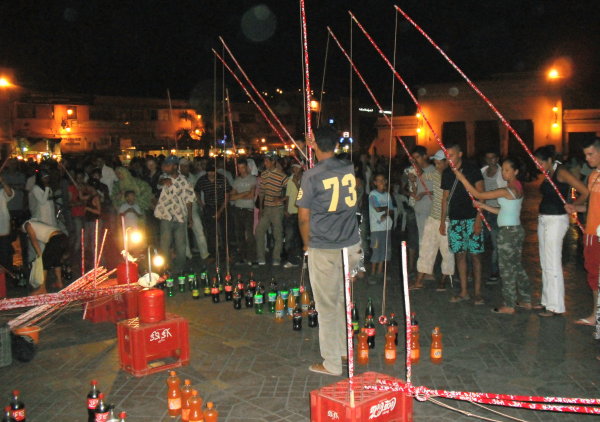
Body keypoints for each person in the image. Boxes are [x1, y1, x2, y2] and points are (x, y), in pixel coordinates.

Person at [297, 127, 361, 376]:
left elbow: (303, 217)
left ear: (314, 146)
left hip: (324, 246)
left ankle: (332, 363)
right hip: (351, 244)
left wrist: (306, 243)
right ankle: (345, 349)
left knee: (326, 304)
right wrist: (316, 144)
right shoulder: (348, 167)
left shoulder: (311, 176)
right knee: (343, 299)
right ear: (336, 144)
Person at [454, 157, 531, 315]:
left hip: (508, 234)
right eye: (503, 169)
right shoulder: (516, 187)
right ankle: (526, 299)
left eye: (507, 170)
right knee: (516, 266)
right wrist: (483, 206)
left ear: (516, 171)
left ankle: (509, 304)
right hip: (515, 229)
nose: (504, 172)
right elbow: (506, 211)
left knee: (507, 269)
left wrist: (462, 178)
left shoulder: (507, 190)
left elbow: (477, 193)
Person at [534, 145, 589, 316]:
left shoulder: (561, 172)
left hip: (556, 220)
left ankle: (555, 306)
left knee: (552, 263)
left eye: (540, 161)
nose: (538, 165)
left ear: (550, 160)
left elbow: (585, 190)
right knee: (544, 262)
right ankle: (546, 300)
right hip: (544, 219)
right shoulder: (549, 173)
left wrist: (574, 205)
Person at [440, 143, 485, 304]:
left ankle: (478, 292)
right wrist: (442, 221)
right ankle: (464, 290)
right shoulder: (446, 173)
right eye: (447, 155)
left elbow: (481, 195)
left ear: (460, 154)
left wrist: (479, 220)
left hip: (472, 217)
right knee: (460, 255)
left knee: (476, 256)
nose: (449, 158)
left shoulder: (472, 169)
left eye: (451, 154)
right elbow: (445, 198)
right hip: (455, 219)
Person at [565, 138, 600, 326]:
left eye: (591, 154)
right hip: (591, 234)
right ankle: (595, 314)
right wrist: (576, 208)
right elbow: (591, 207)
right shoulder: (593, 176)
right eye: (585, 155)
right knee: (593, 276)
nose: (587, 159)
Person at [413, 150, 455, 290]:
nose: (436, 165)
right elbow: (423, 175)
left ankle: (444, 280)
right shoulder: (436, 173)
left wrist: (443, 222)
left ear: (446, 162)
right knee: (426, 248)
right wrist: (416, 166)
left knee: (447, 252)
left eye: (439, 163)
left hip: (447, 219)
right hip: (433, 217)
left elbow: (447, 201)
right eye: (435, 162)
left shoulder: (453, 177)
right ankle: (419, 280)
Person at [154, 156, 195, 274]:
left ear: (175, 167)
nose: (165, 167)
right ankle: (165, 267)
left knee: (181, 245)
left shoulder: (184, 181)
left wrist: (190, 217)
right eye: (164, 165)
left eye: (168, 165)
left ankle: (179, 268)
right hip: (166, 216)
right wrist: (164, 181)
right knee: (165, 244)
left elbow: (189, 199)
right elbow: (159, 182)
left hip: (180, 216)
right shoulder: (163, 177)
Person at [255, 152, 288, 266]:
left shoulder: (282, 176)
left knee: (277, 233)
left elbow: (291, 191)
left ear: (273, 161)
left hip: (277, 209)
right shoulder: (264, 175)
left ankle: (276, 257)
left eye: (267, 161)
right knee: (259, 231)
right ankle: (261, 257)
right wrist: (261, 208)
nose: (265, 163)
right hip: (267, 208)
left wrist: (281, 199)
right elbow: (262, 193)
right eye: (264, 161)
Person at [194, 163, 231, 262]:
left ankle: (226, 254)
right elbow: (196, 190)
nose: (211, 174)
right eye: (209, 172)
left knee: (224, 231)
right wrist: (201, 204)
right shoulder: (202, 179)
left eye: (212, 171)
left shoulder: (222, 179)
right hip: (209, 207)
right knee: (210, 232)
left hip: (221, 205)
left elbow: (227, 195)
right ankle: (213, 254)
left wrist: (221, 210)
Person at [481, 149, 506, 283]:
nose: (491, 160)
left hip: (496, 211)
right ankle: (476, 271)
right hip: (484, 210)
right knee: (481, 241)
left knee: (496, 244)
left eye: (493, 157)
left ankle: (494, 271)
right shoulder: (483, 171)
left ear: (497, 158)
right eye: (488, 157)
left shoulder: (502, 173)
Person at [23, 219, 68, 294]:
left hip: (55, 238)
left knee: (44, 263)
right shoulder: (36, 223)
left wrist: (39, 255)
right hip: (62, 237)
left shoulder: (27, 225)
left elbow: (33, 240)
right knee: (56, 261)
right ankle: (59, 282)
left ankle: (42, 288)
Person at [179, 158, 209, 260]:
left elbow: (196, 192)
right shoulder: (176, 178)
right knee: (183, 233)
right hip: (181, 208)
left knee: (199, 230)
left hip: (194, 207)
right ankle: (187, 254)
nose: (186, 168)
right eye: (184, 166)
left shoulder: (193, 177)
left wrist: (201, 204)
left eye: (187, 166)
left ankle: (204, 254)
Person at [368, 173, 395, 284]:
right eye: (378, 180)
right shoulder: (372, 194)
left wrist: (386, 210)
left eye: (383, 180)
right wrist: (387, 209)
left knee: (385, 250)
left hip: (387, 226)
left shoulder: (387, 195)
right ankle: (373, 273)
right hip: (376, 228)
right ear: (374, 183)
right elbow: (377, 209)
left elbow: (392, 210)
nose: (381, 182)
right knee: (376, 250)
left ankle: (380, 272)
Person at [230, 158, 257, 265]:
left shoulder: (252, 179)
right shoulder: (236, 180)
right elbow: (231, 197)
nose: (241, 170)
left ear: (246, 167)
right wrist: (244, 193)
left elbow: (251, 196)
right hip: (238, 209)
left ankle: (252, 258)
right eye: (239, 168)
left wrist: (238, 196)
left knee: (250, 235)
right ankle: (242, 257)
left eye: (243, 167)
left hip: (248, 210)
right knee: (239, 235)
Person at [410, 146, 434, 243]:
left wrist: (423, 194)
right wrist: (412, 182)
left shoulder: (433, 170)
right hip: (419, 209)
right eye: (414, 158)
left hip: (429, 209)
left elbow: (439, 190)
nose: (415, 160)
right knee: (421, 238)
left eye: (417, 157)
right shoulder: (417, 171)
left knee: (428, 239)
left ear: (425, 156)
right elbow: (416, 191)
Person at [283, 163, 303, 268]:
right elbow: (288, 196)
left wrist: (296, 183)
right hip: (291, 212)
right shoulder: (290, 179)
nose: (295, 169)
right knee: (289, 237)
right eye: (293, 167)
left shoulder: (305, 179)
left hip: (301, 212)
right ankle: (291, 260)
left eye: (297, 167)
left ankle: (301, 259)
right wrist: (286, 209)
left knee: (300, 238)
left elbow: (303, 194)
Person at [0, 176, 14, 274]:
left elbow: (10, 193)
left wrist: (2, 181)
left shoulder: (2, 192)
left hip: (2, 227)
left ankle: (6, 276)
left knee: (5, 252)